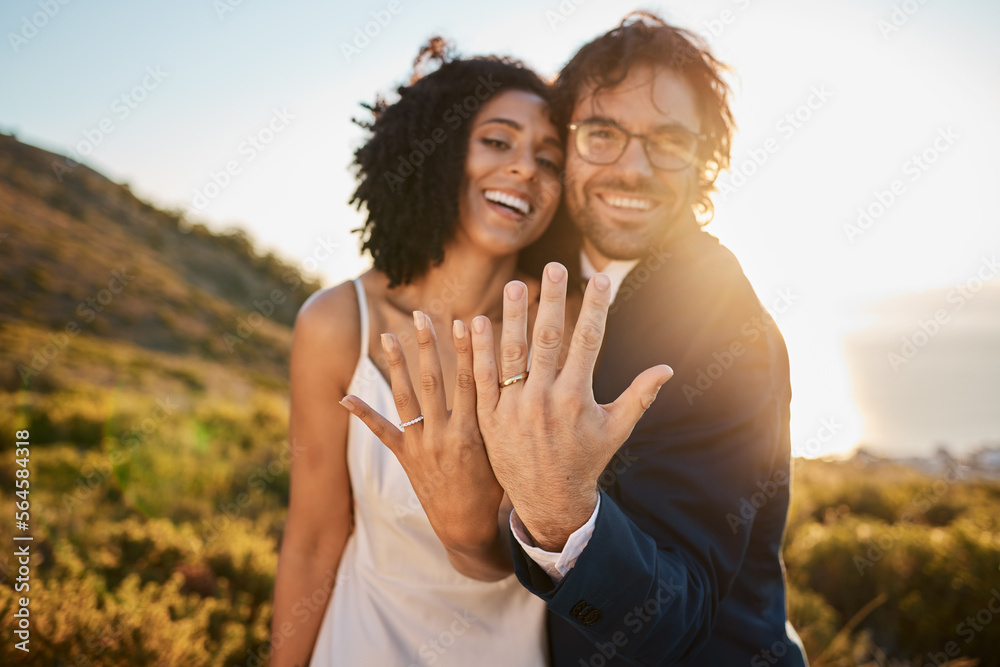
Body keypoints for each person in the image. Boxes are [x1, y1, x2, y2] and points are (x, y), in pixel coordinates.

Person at [353, 12, 809, 666]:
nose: (632, 169)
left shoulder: (723, 325)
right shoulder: (537, 255)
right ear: (564, 142)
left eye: (669, 142)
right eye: (603, 134)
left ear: (703, 159)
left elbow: (676, 613)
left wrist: (562, 515)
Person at [269, 40, 569, 667]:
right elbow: (314, 540)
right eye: (497, 141)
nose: (525, 169)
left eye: (549, 158)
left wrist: (469, 535)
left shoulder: (559, 331)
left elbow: (539, 560)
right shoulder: (336, 324)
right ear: (437, 150)